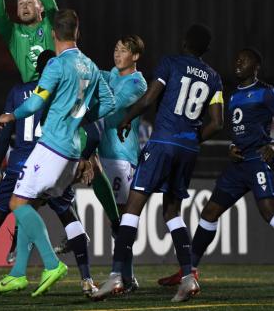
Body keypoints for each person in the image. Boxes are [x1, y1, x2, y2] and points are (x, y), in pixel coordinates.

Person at [157, 48, 274, 289]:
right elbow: (237, 128)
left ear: (256, 66)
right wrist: (232, 145)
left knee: (271, 214)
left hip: (258, 162)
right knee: (209, 213)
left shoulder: (265, 92)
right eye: (236, 58)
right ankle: (190, 270)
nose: (238, 61)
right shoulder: (232, 96)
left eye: (245, 59)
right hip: (238, 164)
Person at [0, 50, 99, 298]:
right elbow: (92, 131)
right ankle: (86, 280)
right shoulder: (64, 93)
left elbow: (4, 134)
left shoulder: (18, 92)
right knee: (68, 217)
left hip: (20, 165)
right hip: (53, 161)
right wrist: (86, 157)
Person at [92, 24, 224, 303]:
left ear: (185, 42)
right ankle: (188, 277)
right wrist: (191, 139)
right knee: (173, 213)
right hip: (188, 149)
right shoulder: (214, 78)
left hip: (163, 143)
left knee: (132, 210)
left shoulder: (171, 63)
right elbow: (217, 123)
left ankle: (116, 276)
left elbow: (149, 99)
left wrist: (127, 119)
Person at [0, 9, 115, 297]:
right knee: (29, 204)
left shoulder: (57, 66)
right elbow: (108, 103)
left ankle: (51, 263)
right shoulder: (91, 66)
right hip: (72, 152)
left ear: (54, 35)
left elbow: (34, 105)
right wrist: (79, 115)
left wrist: (12, 115)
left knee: (18, 203)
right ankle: (18, 274)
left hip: (51, 147)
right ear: (77, 33)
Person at [82, 35, 147, 292]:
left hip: (122, 157)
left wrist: (80, 113)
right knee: (115, 220)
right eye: (116, 49)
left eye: (123, 50)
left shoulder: (136, 83)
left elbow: (112, 105)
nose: (117, 54)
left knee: (120, 220)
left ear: (135, 56)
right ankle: (126, 277)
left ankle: (122, 276)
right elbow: (90, 72)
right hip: (101, 154)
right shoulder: (110, 75)